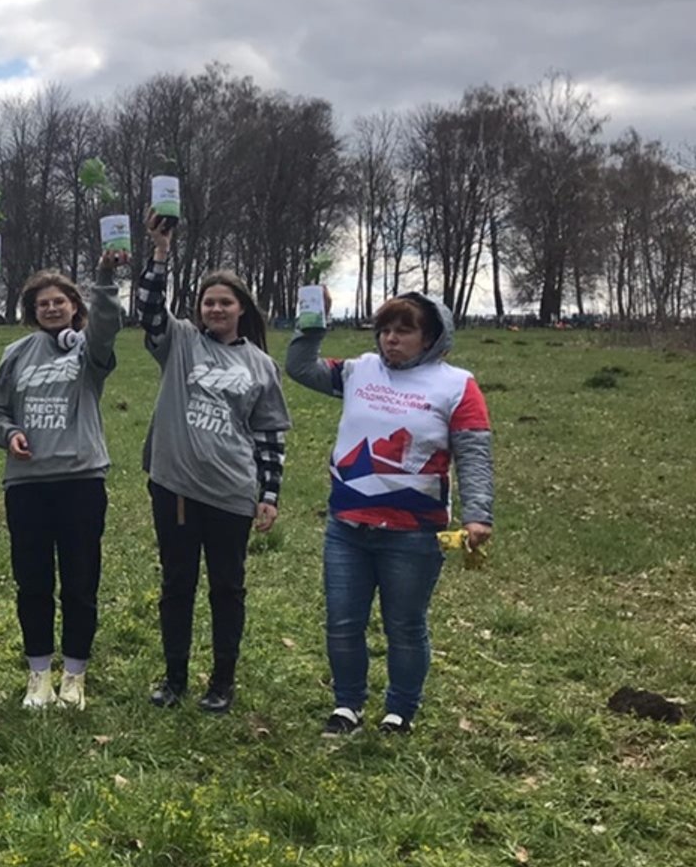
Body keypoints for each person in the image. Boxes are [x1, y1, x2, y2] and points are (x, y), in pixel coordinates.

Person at [287, 287, 494, 736]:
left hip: (414, 533)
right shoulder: (358, 371)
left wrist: (478, 514)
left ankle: (400, 711)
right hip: (347, 526)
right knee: (343, 623)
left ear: (431, 337)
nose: (391, 339)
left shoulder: (458, 386)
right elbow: (300, 368)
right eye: (384, 330)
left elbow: (474, 454)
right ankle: (348, 706)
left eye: (404, 330)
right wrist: (313, 322)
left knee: (405, 625)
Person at [136, 217, 291, 714]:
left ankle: (223, 681)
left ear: (241, 308)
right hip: (176, 487)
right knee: (176, 584)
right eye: (208, 302)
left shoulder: (261, 365)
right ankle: (175, 678)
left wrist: (269, 495)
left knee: (227, 587)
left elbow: (269, 435)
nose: (216, 309)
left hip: (232, 491)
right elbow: (150, 310)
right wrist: (161, 251)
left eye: (225, 302)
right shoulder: (180, 341)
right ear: (199, 309)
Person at [0, 251, 123, 711]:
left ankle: (74, 676)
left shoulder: (88, 349)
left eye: (59, 301)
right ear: (32, 310)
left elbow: (107, 325)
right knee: (33, 583)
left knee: (80, 584)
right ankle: (39, 675)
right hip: (27, 485)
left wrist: (105, 276)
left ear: (74, 306)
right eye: (42, 303)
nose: (50, 308)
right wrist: (9, 434)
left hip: (81, 480)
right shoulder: (15, 354)